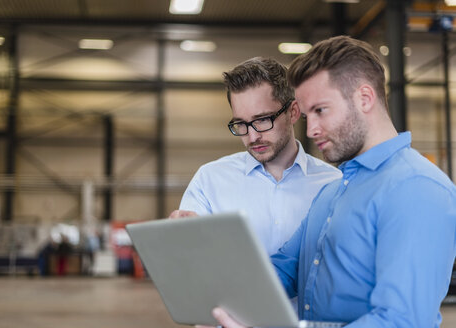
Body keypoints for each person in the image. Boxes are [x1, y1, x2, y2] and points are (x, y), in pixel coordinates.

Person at [205, 36, 456, 328]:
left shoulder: (417, 188)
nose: (310, 130)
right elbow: (285, 269)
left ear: (364, 98)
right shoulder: (333, 191)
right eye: (307, 114)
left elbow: (401, 321)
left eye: (321, 111)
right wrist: (216, 294)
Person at [170, 57, 341, 256]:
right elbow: (190, 259)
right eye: (241, 124)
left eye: (262, 120)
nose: (253, 137)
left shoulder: (333, 184)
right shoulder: (209, 181)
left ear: (293, 112)